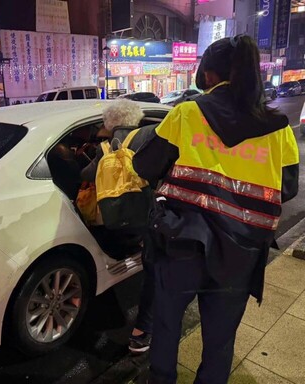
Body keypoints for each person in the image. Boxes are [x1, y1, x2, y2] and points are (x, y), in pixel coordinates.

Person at [132, 35, 299, 384]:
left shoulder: (187, 113)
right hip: (241, 252)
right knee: (220, 343)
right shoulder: (279, 129)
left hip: (181, 244)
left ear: (208, 75)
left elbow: (145, 167)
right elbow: (287, 189)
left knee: (165, 327)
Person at [81, 99, 156, 354]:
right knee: (155, 269)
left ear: (109, 123)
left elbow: (87, 176)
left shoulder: (103, 148)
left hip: (115, 218)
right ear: (136, 117)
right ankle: (146, 328)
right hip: (146, 216)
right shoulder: (148, 135)